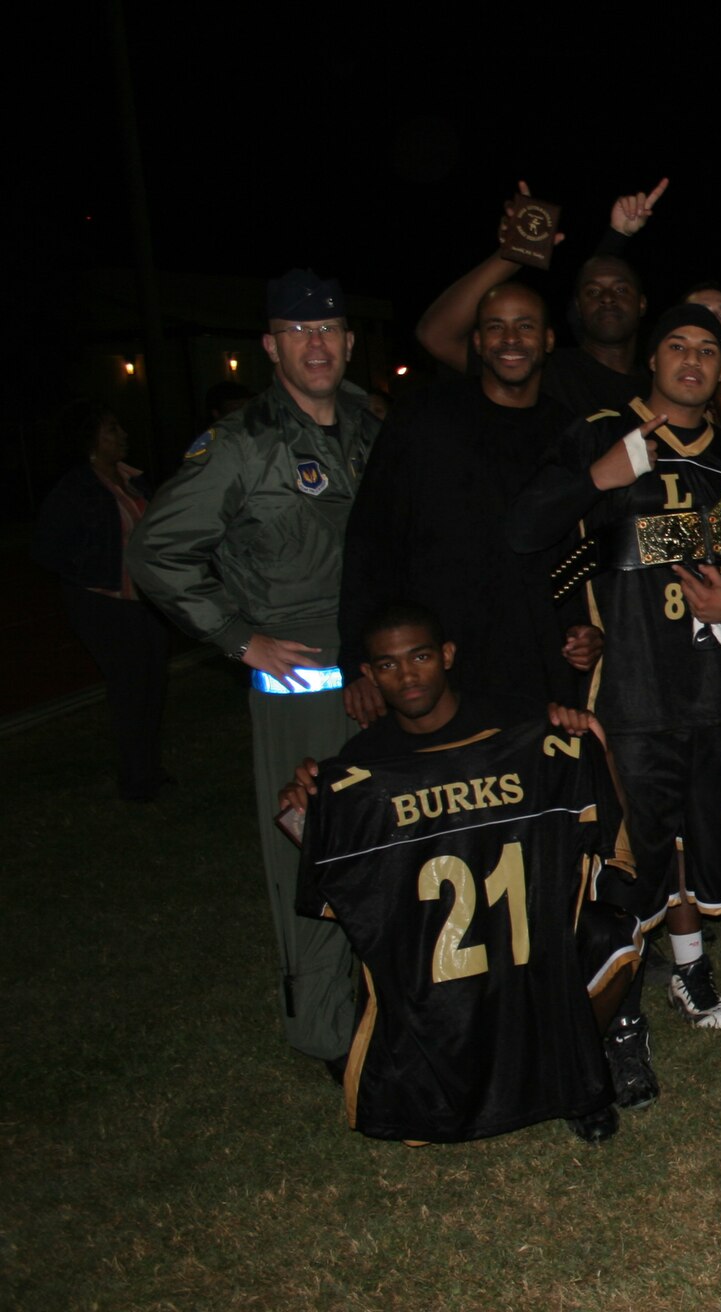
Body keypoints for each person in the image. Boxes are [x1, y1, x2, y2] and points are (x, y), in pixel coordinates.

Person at [509, 305, 721, 1112]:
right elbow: (526, 536)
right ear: (652, 360)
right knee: (622, 870)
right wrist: (597, 483)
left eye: (708, 351)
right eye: (678, 347)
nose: (693, 361)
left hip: (716, 696)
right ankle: (616, 1029)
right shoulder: (601, 435)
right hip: (628, 697)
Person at [127, 269, 382, 1077]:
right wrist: (240, 639)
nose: (318, 345)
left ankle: (389, 1004)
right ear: (271, 347)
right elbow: (156, 553)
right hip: (302, 683)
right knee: (308, 847)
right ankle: (325, 1030)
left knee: (388, 839)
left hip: (383, 670)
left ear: (348, 342)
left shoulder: (374, 424)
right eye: (299, 333)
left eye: (331, 330)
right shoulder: (240, 444)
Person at [283, 602, 638, 1144]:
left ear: (446, 655)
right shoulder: (363, 764)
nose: (406, 675)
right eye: (388, 665)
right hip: (439, 963)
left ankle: (575, 1073)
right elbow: (338, 873)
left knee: (614, 938)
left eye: (420, 657)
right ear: (369, 675)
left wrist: (596, 741)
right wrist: (305, 811)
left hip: (528, 941)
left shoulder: (517, 727)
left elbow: (605, 813)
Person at [341, 282, 592, 713]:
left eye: (525, 326)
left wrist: (586, 628)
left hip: (538, 662)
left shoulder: (569, 432)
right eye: (496, 327)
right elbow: (371, 539)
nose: (511, 339)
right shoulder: (423, 418)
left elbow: (581, 547)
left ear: (548, 340)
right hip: (439, 665)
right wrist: (358, 661)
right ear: (477, 341)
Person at [415, 181, 666, 416]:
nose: (608, 298)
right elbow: (437, 335)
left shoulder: (663, 386)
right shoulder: (546, 370)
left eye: (621, 290)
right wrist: (514, 253)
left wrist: (617, 237)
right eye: (592, 293)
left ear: (642, 303)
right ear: (578, 308)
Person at [32, 403, 170, 801]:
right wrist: (89, 572)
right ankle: (136, 778)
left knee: (152, 685)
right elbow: (48, 547)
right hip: (104, 603)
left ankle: (149, 767)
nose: (121, 435)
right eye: (111, 429)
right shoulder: (78, 488)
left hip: (144, 600)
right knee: (129, 688)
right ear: (91, 441)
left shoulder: (135, 480)